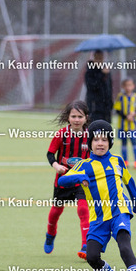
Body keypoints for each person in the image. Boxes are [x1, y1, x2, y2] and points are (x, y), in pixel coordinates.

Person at [58, 120, 136, 271]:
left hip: (119, 212)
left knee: (125, 248)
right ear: (90, 143)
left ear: (110, 142)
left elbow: (129, 181)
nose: (100, 143)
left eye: (104, 139)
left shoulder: (117, 161)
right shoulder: (84, 165)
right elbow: (62, 181)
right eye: (96, 140)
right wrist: (79, 177)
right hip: (98, 219)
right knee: (92, 257)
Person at [44, 100, 91, 259]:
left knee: (83, 209)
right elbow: (50, 154)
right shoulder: (61, 134)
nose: (77, 120)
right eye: (73, 116)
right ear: (68, 117)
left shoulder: (90, 136)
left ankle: (86, 245)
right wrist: (56, 165)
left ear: (86, 118)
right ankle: (50, 234)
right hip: (63, 180)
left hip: (81, 180)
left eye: (80, 116)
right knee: (56, 211)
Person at [113, 78, 136, 169]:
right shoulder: (120, 97)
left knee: (134, 143)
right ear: (123, 87)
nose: (128, 87)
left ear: (133, 86)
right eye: (126, 85)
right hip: (122, 126)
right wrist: (126, 116)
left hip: (132, 126)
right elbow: (117, 110)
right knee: (124, 143)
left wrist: (134, 114)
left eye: (130, 85)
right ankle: (125, 162)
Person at [84, 50, 113, 123]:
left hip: (106, 106)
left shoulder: (106, 70)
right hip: (95, 106)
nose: (99, 60)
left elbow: (109, 87)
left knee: (106, 126)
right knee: (95, 125)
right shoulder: (90, 71)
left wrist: (110, 102)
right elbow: (92, 86)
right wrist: (102, 74)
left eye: (101, 57)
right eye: (97, 57)